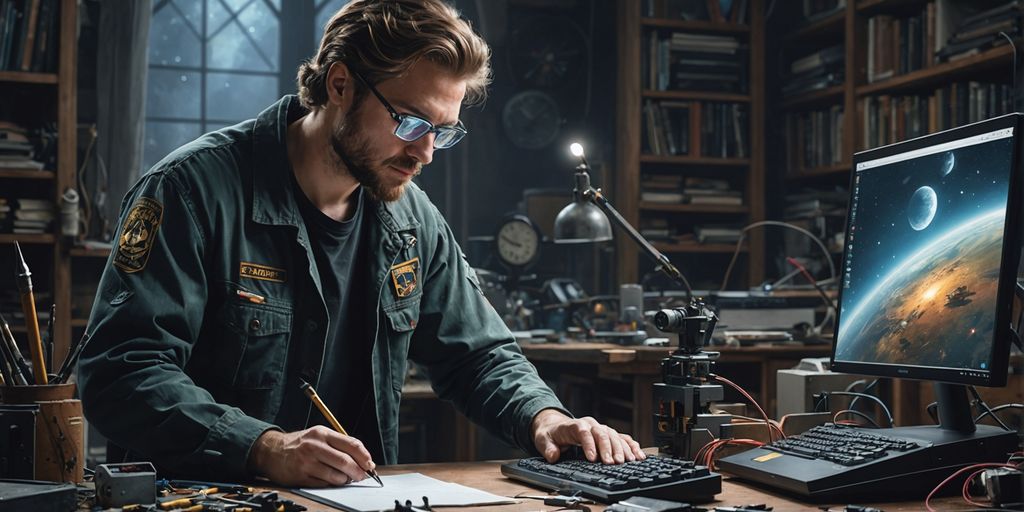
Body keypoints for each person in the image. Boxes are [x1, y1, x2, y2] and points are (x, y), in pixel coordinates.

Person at [78, 0, 643, 488]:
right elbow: (122, 372)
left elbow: (479, 355)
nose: (426, 153)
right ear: (340, 84)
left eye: (442, 131)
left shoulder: (412, 219)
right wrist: (264, 447)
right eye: (411, 122)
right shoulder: (190, 192)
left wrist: (543, 418)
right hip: (208, 493)